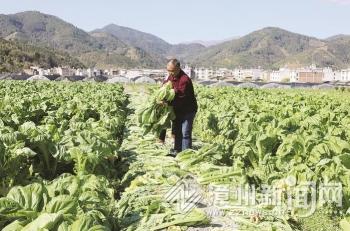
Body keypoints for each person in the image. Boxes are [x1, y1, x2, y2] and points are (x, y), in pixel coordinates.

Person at [164, 59, 198, 156]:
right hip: (177, 110)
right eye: (168, 70)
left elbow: (180, 97)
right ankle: (177, 151)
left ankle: (186, 154)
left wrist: (167, 103)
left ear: (178, 68)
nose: (169, 73)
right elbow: (165, 85)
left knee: (185, 133)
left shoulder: (184, 80)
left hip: (187, 110)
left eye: (171, 71)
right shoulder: (171, 76)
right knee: (177, 132)